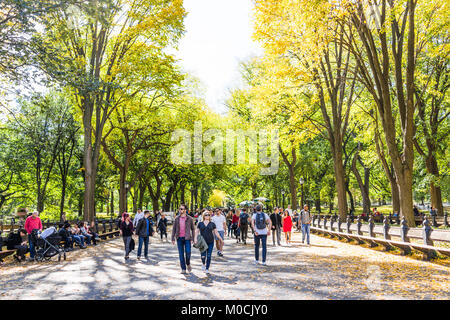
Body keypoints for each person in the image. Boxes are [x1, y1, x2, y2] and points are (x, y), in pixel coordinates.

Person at [172, 205, 195, 274]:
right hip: (179, 238)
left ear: (185, 210)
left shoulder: (190, 219)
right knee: (181, 254)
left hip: (187, 238)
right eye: (179, 209)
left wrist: (193, 238)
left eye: (181, 209)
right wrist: (172, 238)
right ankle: (183, 268)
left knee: (188, 252)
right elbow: (174, 229)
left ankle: (188, 263)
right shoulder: (177, 219)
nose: (180, 210)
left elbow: (193, 229)